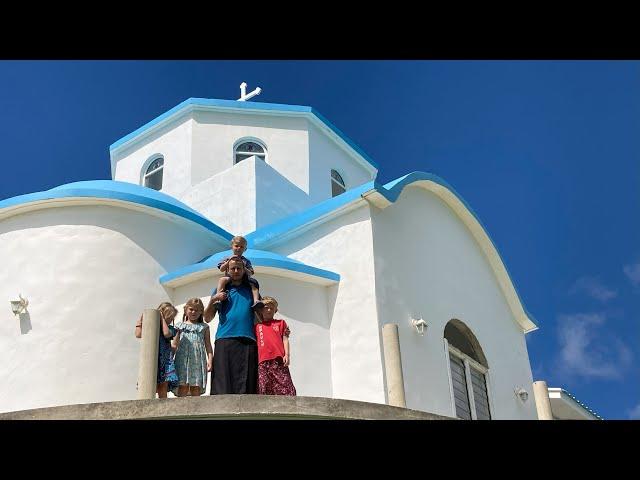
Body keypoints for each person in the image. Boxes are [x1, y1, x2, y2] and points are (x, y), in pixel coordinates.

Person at [205, 257, 260, 394]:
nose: (236, 271)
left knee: (247, 385)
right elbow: (207, 318)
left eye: (239, 268)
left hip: (248, 340)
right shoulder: (220, 290)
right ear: (227, 270)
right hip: (224, 339)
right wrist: (213, 299)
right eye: (232, 268)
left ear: (244, 270)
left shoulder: (252, 290)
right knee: (222, 384)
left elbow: (261, 318)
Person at [134, 302, 179, 398]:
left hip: (164, 361)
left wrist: (162, 320)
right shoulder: (150, 326)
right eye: (169, 317)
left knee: (163, 387)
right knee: (149, 385)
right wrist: (141, 321)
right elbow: (138, 334)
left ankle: (164, 409)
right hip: (152, 359)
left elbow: (166, 333)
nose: (171, 320)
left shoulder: (171, 329)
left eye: (172, 318)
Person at [255, 296, 296, 396]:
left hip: (278, 360)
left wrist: (287, 355)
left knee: (286, 387)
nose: (269, 310)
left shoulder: (281, 323)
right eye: (266, 307)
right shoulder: (257, 327)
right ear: (261, 310)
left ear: (275, 310)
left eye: (271, 308)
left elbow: (285, 339)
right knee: (264, 387)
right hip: (263, 362)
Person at [173, 298, 213, 396]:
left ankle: (196, 409)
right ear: (185, 310)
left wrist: (210, 360)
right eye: (191, 309)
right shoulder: (179, 326)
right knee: (183, 385)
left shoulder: (204, 327)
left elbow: (208, 345)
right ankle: (181, 410)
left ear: (201, 312)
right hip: (182, 360)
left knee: (196, 385)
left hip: (197, 360)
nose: (193, 312)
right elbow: (174, 344)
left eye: (197, 310)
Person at [215, 236, 263, 309]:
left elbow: (250, 273)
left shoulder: (246, 261)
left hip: (243, 279)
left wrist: (243, 267)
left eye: (241, 247)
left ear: (245, 249)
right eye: (236, 246)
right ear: (232, 246)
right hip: (229, 278)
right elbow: (221, 269)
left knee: (253, 283)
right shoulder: (227, 259)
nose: (239, 248)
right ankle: (218, 299)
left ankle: (256, 300)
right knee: (222, 280)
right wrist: (228, 262)